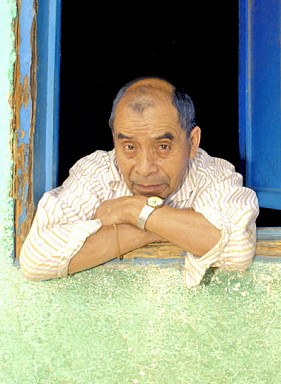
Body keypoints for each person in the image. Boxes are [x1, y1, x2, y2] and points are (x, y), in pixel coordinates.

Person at [19, 77, 259, 287]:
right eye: (129, 147)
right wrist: (169, 226)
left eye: (163, 147)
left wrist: (132, 211)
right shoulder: (96, 173)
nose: (145, 168)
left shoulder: (213, 174)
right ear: (114, 141)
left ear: (193, 142)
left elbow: (236, 251)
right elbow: (36, 260)